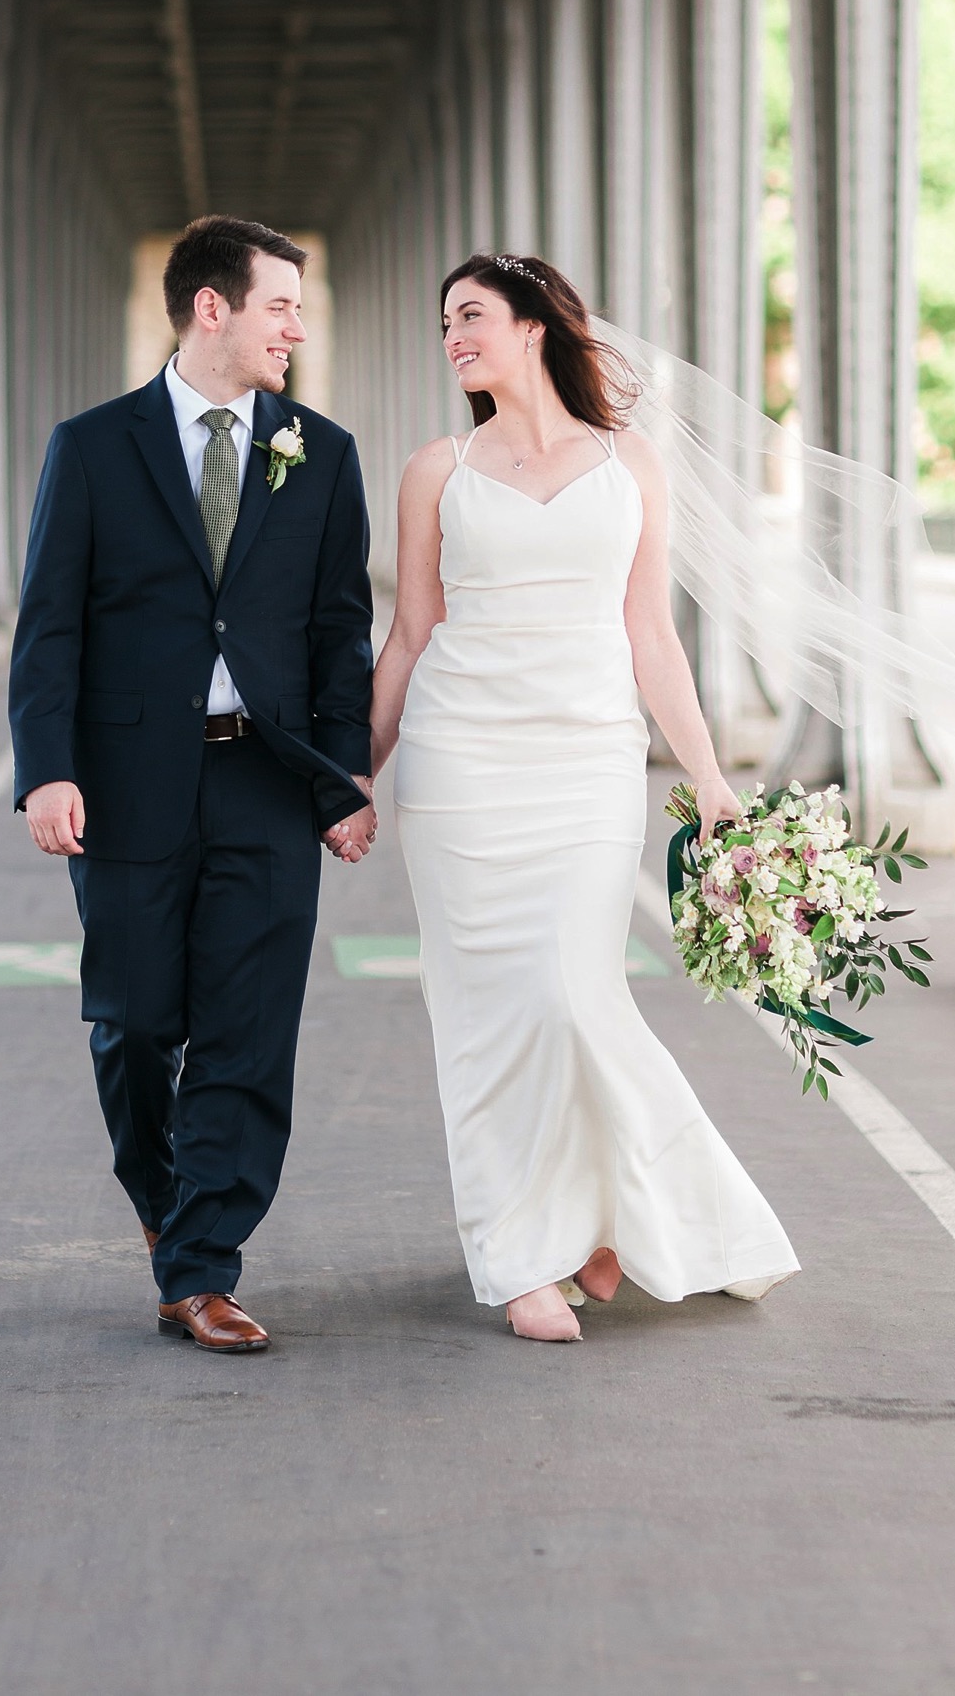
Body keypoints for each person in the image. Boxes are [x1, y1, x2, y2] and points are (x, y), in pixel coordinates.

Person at [370, 254, 799, 1342]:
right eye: (444, 322)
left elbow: (650, 633)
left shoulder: (630, 463)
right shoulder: (436, 469)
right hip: (460, 768)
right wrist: (351, 775)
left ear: (533, 328)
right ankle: (523, 1254)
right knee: (484, 1021)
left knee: (572, 995)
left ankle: (606, 1220)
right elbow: (411, 635)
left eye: (470, 315)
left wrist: (706, 775)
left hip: (588, 766)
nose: (452, 335)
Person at [9, 216, 377, 1353]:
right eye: (279, 307)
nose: (295, 330)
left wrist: (343, 773)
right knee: (131, 1024)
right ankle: (173, 1222)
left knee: (247, 1032)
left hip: (267, 781)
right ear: (211, 309)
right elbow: (49, 626)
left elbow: (337, 631)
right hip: (125, 784)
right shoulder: (93, 446)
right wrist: (47, 772)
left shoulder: (320, 450)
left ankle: (204, 1265)